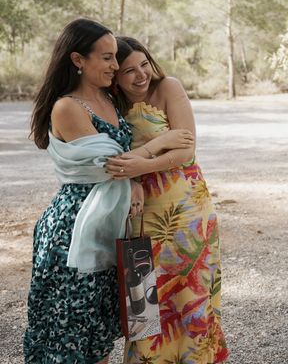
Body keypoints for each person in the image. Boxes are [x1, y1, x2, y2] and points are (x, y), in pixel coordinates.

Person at [24, 18, 143, 363]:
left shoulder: (110, 99)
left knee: (99, 331)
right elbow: (112, 164)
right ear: (78, 60)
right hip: (73, 229)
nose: (115, 66)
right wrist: (145, 163)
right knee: (69, 335)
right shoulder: (67, 107)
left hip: (108, 224)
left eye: (114, 57)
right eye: (106, 58)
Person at [105, 36, 228, 363]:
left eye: (144, 64)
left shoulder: (169, 87)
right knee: (143, 300)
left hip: (188, 210)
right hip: (140, 214)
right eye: (128, 70)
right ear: (115, 75)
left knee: (190, 294)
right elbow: (113, 160)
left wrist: (143, 164)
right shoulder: (109, 104)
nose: (140, 74)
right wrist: (147, 159)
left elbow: (186, 149)